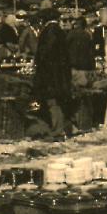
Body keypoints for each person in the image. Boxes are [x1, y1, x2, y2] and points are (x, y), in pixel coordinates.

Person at [32, 8, 72, 139]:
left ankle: (57, 130)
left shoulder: (49, 31)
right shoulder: (59, 31)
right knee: (56, 100)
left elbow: (46, 53)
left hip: (51, 73)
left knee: (52, 101)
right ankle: (61, 128)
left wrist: (39, 61)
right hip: (60, 73)